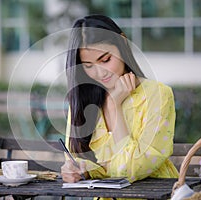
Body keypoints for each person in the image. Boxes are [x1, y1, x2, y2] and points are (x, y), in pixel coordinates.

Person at [61, 14, 179, 184]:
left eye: (106, 59)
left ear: (122, 42)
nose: (100, 73)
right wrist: (76, 170)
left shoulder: (158, 94)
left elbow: (131, 170)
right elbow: (75, 157)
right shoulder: (83, 98)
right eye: (88, 66)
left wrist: (113, 105)